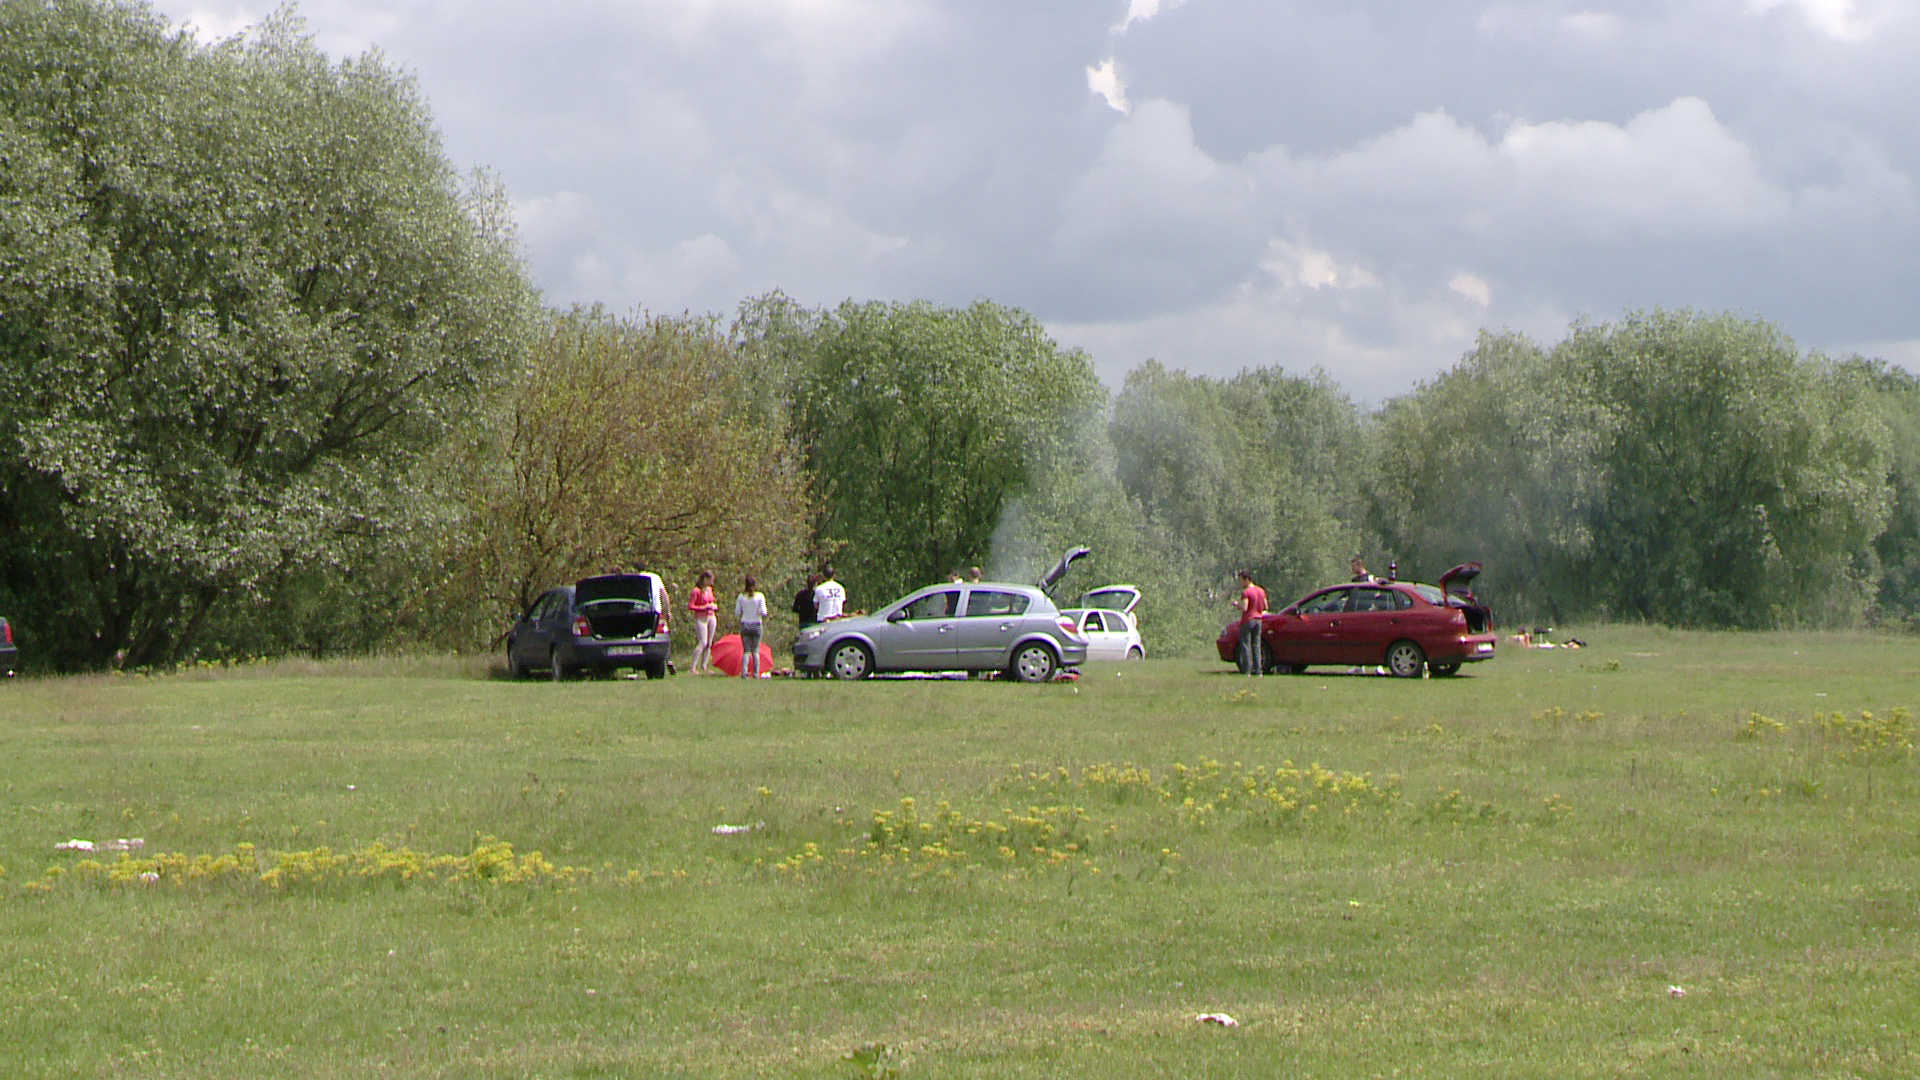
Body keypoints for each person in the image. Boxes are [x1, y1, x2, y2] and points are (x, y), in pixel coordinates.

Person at [687, 570, 719, 675]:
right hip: (701, 618)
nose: (712, 583)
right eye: (710, 580)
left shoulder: (709, 589)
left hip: (711, 616)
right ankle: (693, 666)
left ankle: (704, 666)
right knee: (703, 642)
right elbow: (691, 606)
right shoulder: (696, 591)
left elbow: (711, 600)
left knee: (709, 643)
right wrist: (704, 607)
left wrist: (713, 606)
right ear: (705, 579)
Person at [735, 575, 768, 678]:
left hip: (745, 624)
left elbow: (737, 612)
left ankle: (744, 673)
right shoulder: (760, 596)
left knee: (746, 651)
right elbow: (763, 612)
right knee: (756, 650)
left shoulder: (741, 597)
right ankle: (756, 673)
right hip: (756, 624)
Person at [1237, 570, 1267, 676]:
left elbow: (1245, 607)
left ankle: (1247, 670)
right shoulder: (1261, 591)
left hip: (1248, 620)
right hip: (1258, 620)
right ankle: (1258, 671)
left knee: (1245, 645)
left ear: (1246, 580)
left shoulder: (1246, 592)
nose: (1241, 583)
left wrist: (1237, 605)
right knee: (1256, 645)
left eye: (1241, 581)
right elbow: (1265, 606)